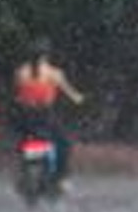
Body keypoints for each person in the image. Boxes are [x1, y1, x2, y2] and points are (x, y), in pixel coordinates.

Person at [11, 39, 84, 186]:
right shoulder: (54, 73)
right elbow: (73, 95)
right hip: (45, 116)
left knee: (23, 140)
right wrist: (80, 99)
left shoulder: (20, 73)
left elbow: (18, 95)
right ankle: (61, 177)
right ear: (47, 55)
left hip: (25, 117)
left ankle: (25, 170)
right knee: (64, 144)